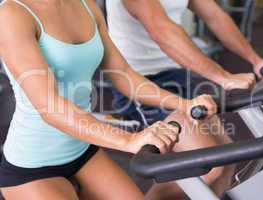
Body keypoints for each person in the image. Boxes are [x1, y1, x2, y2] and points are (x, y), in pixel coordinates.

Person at [0, 0, 217, 199]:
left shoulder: (86, 6)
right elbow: (49, 107)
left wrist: (184, 104)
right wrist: (129, 140)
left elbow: (123, 74)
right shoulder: (12, 14)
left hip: (82, 149)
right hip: (33, 164)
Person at [106, 0, 263, 199]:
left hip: (179, 74)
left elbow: (215, 16)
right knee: (207, 168)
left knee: (226, 161)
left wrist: (254, 59)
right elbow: (161, 31)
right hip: (141, 83)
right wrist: (223, 77)